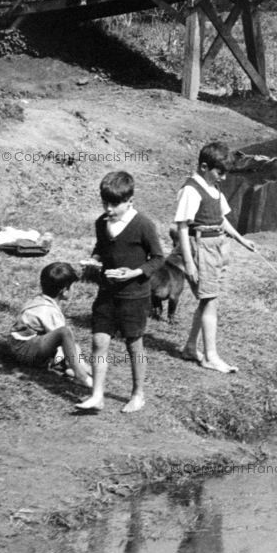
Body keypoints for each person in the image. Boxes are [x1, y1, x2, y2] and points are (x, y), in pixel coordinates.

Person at [76, 171, 164, 414]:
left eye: (115, 204)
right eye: (105, 203)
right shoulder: (101, 223)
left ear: (130, 201)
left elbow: (157, 258)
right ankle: (97, 395)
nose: (109, 209)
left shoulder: (143, 225)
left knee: (133, 344)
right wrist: (93, 260)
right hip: (107, 292)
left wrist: (134, 273)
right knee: (98, 340)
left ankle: (138, 394)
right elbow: (101, 248)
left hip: (134, 295)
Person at [172, 141, 256, 373]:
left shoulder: (213, 188)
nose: (223, 178)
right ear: (204, 166)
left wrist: (241, 239)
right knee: (210, 300)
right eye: (220, 172)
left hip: (217, 245)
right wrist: (189, 262)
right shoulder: (191, 190)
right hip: (200, 246)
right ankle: (210, 356)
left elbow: (221, 218)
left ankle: (191, 347)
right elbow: (181, 228)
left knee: (209, 298)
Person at [9, 261, 92, 387]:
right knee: (65, 333)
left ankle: (77, 369)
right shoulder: (48, 310)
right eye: (72, 286)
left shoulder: (39, 299)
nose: (73, 289)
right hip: (24, 351)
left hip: (23, 347)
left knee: (74, 347)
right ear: (64, 291)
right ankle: (81, 375)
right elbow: (62, 339)